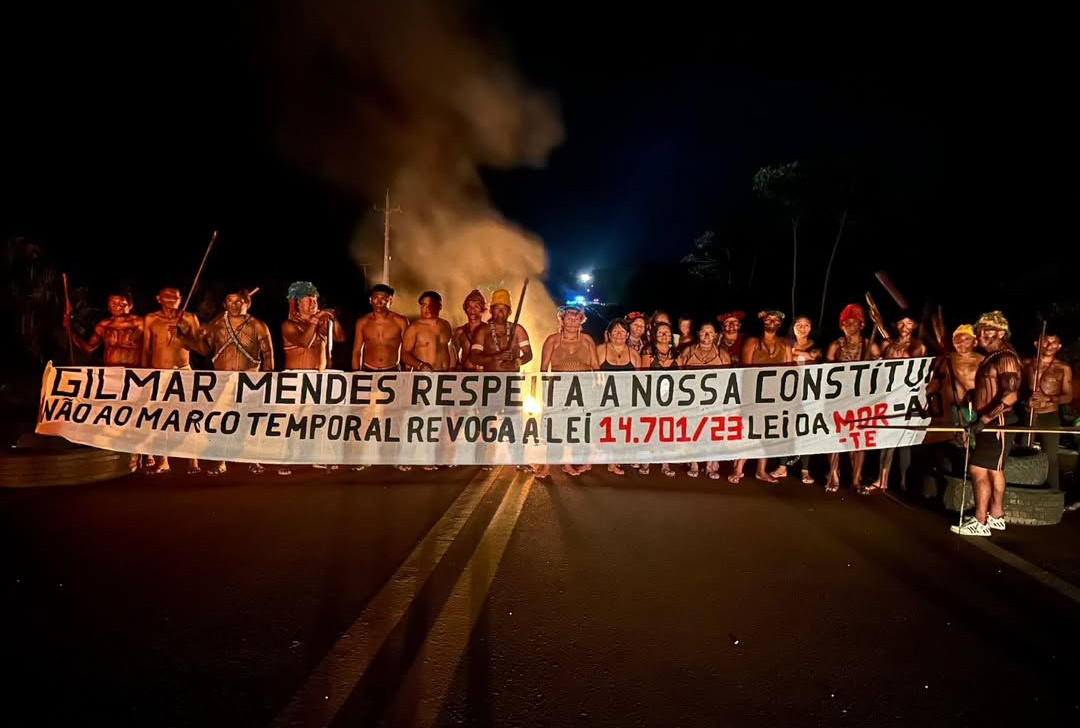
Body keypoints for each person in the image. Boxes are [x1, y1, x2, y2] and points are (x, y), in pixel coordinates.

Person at [177, 289, 273, 475]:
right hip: (222, 381)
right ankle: (220, 461)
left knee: (250, 422)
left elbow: (268, 353)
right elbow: (205, 349)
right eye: (231, 301)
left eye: (240, 302)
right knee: (221, 422)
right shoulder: (218, 325)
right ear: (225, 304)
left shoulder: (258, 325)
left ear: (248, 303)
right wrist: (185, 337)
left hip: (250, 380)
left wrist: (266, 379)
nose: (236, 305)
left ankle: (254, 460)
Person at [952, 311, 1022, 536]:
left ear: (1001, 333)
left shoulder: (1006, 357)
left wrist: (983, 420)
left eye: (988, 330)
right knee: (992, 470)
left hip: (997, 421)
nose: (981, 335)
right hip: (988, 420)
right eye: (980, 330)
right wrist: (974, 396)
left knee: (979, 469)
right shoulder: (991, 357)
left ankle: (981, 521)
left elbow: (1010, 396)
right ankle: (996, 516)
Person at [280, 281, 345, 475]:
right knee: (293, 421)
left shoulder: (322, 322)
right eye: (307, 300)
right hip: (297, 379)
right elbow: (305, 342)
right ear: (296, 303)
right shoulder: (289, 325)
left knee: (320, 420)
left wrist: (333, 319)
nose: (313, 303)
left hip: (319, 379)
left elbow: (340, 338)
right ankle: (287, 459)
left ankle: (319, 457)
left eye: (314, 299)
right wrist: (315, 321)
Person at [142, 287, 202, 475]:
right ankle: (163, 460)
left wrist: (182, 334)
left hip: (183, 371)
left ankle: (192, 459)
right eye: (167, 297)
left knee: (188, 416)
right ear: (158, 298)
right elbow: (146, 349)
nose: (171, 300)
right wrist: (144, 375)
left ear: (180, 299)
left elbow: (201, 347)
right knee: (160, 417)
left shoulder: (190, 318)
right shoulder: (151, 319)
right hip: (158, 372)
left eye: (175, 298)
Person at [730, 310, 792, 484]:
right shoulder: (753, 342)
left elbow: (788, 372)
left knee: (767, 433)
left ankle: (761, 470)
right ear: (762, 322)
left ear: (780, 324)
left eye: (776, 320)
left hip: (775, 397)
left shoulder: (785, 344)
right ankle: (739, 468)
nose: (772, 322)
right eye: (768, 319)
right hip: (755, 395)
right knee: (749, 432)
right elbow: (746, 370)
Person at [825, 304, 881, 493]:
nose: (850, 326)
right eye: (846, 323)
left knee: (858, 440)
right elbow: (826, 372)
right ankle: (834, 475)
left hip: (861, 400)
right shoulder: (836, 345)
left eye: (854, 322)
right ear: (842, 326)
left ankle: (856, 478)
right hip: (839, 398)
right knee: (835, 437)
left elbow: (882, 370)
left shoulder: (870, 345)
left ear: (861, 324)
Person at [536, 304, 597, 478]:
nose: (572, 321)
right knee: (555, 428)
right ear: (561, 320)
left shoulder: (587, 340)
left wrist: (596, 389)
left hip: (582, 388)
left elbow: (596, 367)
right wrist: (544, 390)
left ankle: (567, 463)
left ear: (581, 320)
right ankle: (547, 465)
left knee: (573, 427)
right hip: (559, 388)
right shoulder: (552, 340)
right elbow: (543, 368)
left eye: (576, 318)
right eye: (568, 317)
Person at [869, 314, 928, 492]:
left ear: (914, 325)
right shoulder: (887, 344)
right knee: (886, 437)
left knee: (904, 441)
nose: (904, 326)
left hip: (907, 397)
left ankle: (904, 481)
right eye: (901, 322)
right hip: (888, 395)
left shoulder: (918, 346)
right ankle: (883, 478)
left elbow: (917, 370)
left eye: (909, 322)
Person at [771, 315, 822, 483]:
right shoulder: (785, 343)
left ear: (811, 328)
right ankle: (782, 466)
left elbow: (816, 358)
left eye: (806, 325)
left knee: (805, 429)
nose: (802, 328)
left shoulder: (816, 345)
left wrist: (794, 353)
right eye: (798, 324)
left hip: (808, 392)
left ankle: (805, 469)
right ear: (792, 327)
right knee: (785, 427)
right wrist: (802, 354)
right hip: (786, 391)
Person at [678, 322, 732, 479]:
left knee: (712, 432)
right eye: (703, 332)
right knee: (693, 430)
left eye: (710, 332)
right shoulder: (688, 351)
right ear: (698, 334)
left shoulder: (722, 355)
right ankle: (694, 462)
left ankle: (710, 464)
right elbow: (679, 375)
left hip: (713, 402)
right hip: (692, 401)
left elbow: (728, 380)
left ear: (716, 335)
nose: (707, 336)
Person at [1023, 332, 1072, 492]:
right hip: (1028, 414)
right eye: (1046, 342)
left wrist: (1048, 399)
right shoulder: (1026, 364)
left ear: (1059, 347)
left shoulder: (1063, 368)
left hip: (1050, 416)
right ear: (1037, 344)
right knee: (1023, 452)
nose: (1049, 346)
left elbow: (1068, 396)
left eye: (1054, 343)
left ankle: (1052, 493)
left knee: (1050, 456)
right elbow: (1015, 390)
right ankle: (1021, 490)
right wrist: (1025, 401)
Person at [596, 318, 641, 476]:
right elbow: (592, 374)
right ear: (608, 334)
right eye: (615, 330)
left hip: (625, 397)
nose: (619, 334)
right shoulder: (601, 350)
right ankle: (596, 458)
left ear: (628, 334)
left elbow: (639, 380)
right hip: (604, 397)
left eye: (622, 331)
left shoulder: (634, 354)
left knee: (620, 429)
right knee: (603, 428)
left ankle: (613, 461)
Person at [65, 292, 143, 366]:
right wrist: (70, 331)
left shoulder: (141, 323)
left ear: (130, 305)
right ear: (108, 307)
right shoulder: (103, 326)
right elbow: (89, 348)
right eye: (113, 304)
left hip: (135, 371)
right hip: (110, 372)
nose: (118, 306)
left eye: (122, 303)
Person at [469, 288, 532, 372]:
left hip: (512, 381)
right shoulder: (482, 331)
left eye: (504, 309)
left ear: (510, 312)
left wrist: (515, 363)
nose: (501, 312)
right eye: (497, 308)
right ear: (491, 311)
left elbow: (528, 354)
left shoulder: (518, 330)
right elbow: (474, 358)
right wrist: (496, 357)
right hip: (489, 380)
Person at [351, 284, 409, 371]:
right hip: (368, 369)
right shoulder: (362, 322)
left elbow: (408, 350)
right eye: (376, 298)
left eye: (383, 299)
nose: (379, 302)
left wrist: (409, 373)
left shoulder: (401, 321)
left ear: (390, 300)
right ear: (370, 300)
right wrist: (356, 372)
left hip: (392, 369)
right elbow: (357, 351)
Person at [402, 291, 457, 373]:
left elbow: (450, 349)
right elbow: (405, 354)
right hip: (424, 374)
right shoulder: (414, 328)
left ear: (439, 306)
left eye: (431, 305)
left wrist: (452, 369)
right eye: (424, 305)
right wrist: (420, 365)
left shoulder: (445, 325)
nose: (427, 308)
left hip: (444, 373)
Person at [453, 289, 487, 371]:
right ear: (465, 309)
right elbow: (453, 354)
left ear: (482, 309)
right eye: (469, 306)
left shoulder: (489, 330)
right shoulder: (460, 332)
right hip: (465, 374)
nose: (472, 310)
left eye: (476, 307)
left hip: (485, 374)